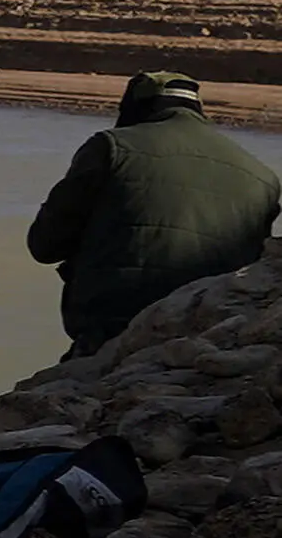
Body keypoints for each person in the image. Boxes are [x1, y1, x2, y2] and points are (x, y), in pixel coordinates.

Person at [28, 69, 280, 358]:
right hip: (209, 332)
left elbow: (45, 246)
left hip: (113, 329)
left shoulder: (113, 147)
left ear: (136, 106)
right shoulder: (262, 177)